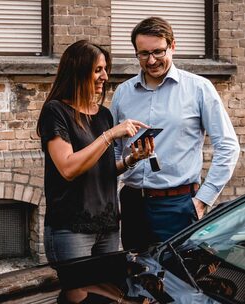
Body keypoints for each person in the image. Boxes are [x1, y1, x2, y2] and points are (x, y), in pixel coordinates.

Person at [37, 40, 153, 304]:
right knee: (78, 297)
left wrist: (130, 161)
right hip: (71, 227)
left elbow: (101, 170)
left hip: (108, 226)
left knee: (108, 298)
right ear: (78, 71)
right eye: (98, 70)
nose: (105, 76)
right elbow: (68, 168)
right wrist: (110, 135)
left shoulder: (103, 114)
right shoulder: (56, 111)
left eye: (105, 69)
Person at [110, 17, 240, 251]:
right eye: (143, 54)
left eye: (158, 52)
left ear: (173, 46)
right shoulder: (123, 93)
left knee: (180, 277)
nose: (151, 61)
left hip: (178, 205)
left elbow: (228, 146)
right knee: (136, 276)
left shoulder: (199, 88)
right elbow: (115, 148)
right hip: (132, 203)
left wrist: (202, 200)